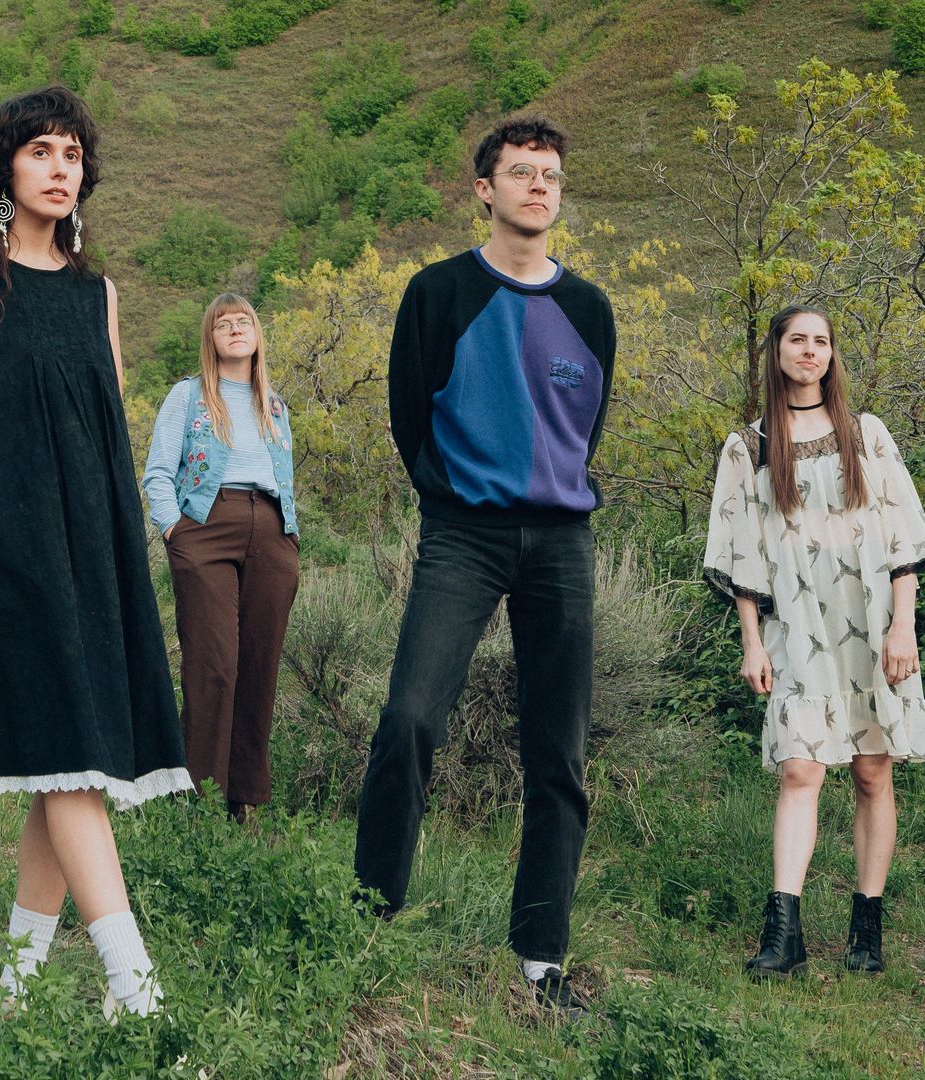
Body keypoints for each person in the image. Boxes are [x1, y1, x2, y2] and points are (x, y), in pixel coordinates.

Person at [0, 86, 190, 1017]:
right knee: (70, 754)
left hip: (93, 549)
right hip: (2, 546)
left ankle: (17, 983)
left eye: (72, 154)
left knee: (62, 760)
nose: (60, 168)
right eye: (41, 152)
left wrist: (117, 551)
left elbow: (106, 428)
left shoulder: (96, 292)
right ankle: (132, 983)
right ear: (5, 168)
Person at [351, 116, 613, 1015]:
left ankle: (542, 961)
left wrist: (545, 492)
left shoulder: (590, 310)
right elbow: (407, 417)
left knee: (559, 753)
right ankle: (369, 921)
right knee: (409, 720)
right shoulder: (438, 291)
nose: (538, 186)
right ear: (485, 189)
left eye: (550, 174)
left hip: (563, 548)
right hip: (463, 536)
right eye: (520, 173)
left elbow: (583, 431)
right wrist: (452, 496)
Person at [704, 306, 925, 979]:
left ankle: (867, 928)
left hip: (873, 621)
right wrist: (753, 641)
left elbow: (903, 540)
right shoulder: (748, 447)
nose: (810, 352)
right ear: (775, 352)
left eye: (822, 342)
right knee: (801, 767)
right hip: (797, 626)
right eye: (797, 340)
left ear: (833, 355)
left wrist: (903, 626)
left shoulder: (866, 435)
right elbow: (743, 555)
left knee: (872, 769)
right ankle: (784, 936)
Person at [141, 294, 300, 822]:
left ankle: (244, 802)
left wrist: (288, 537)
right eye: (223, 324)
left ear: (257, 334)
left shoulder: (274, 404)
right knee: (214, 665)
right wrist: (174, 529)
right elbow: (158, 471)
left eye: (244, 321)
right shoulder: (187, 396)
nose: (235, 329)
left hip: (271, 532)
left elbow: (285, 476)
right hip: (207, 527)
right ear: (210, 339)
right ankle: (197, 798)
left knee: (259, 666)